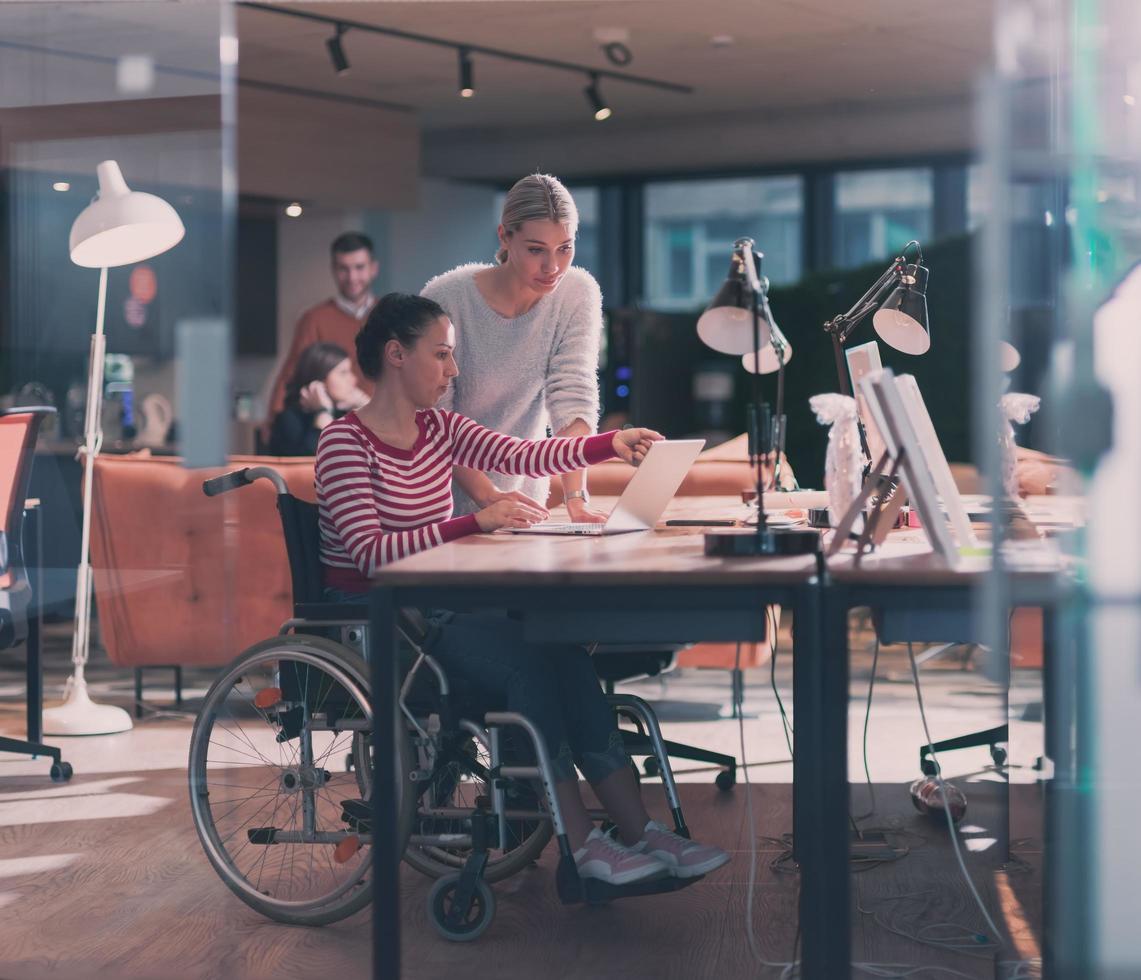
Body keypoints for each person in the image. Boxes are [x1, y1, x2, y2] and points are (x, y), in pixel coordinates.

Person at [315, 293, 730, 884]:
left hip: (440, 611)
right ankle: (583, 845)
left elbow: (524, 455)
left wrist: (608, 445)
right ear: (396, 355)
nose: (453, 370)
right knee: (527, 665)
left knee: (563, 653)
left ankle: (640, 832)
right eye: (442, 355)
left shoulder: (440, 428)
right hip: (386, 623)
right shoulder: (343, 444)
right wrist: (472, 521)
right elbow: (371, 553)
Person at [422, 173, 609, 522]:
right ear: (505, 236)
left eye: (565, 248)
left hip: (525, 496)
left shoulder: (577, 292)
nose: (552, 267)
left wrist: (576, 498)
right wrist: (487, 495)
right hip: (444, 499)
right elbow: (436, 418)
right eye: (536, 250)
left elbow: (572, 396)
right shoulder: (447, 296)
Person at [263, 232, 379, 437]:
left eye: (359, 268)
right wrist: (273, 422)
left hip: (382, 425)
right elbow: (291, 375)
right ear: (333, 270)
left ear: (373, 269)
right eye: (343, 269)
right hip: (334, 428)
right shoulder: (314, 318)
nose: (352, 277)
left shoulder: (389, 315)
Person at [266, 343, 365, 457]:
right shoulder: (289, 419)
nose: (353, 379)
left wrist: (365, 405)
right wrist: (323, 412)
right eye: (343, 373)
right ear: (319, 380)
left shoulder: (344, 415)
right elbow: (317, 461)